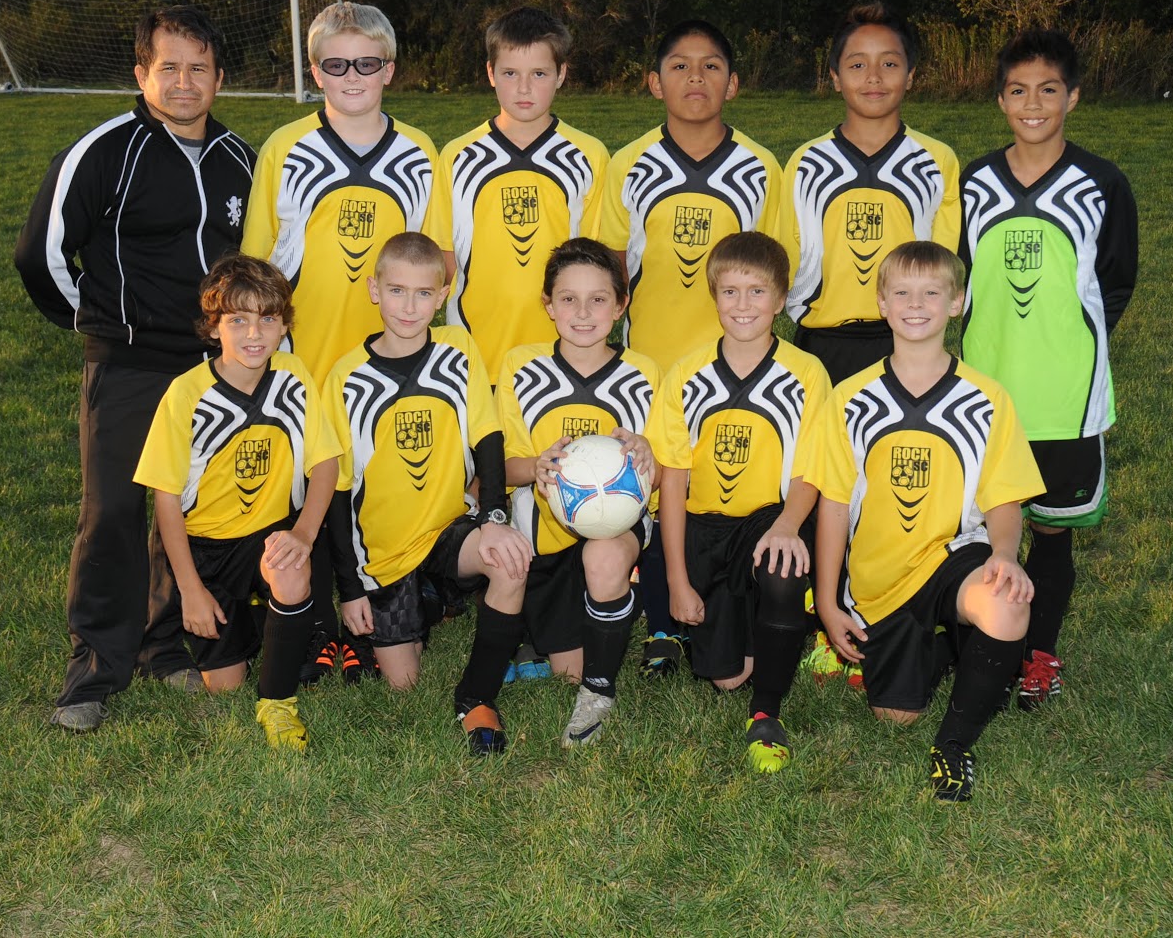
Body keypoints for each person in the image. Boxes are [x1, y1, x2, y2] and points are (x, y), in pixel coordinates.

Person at [15, 5, 257, 733]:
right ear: (141, 73)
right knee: (115, 513)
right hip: (127, 363)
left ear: (219, 78)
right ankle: (93, 670)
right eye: (169, 67)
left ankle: (163, 647)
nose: (185, 83)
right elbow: (41, 254)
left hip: (208, 370)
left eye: (199, 69)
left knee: (181, 512)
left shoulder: (238, 158)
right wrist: (97, 325)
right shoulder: (104, 150)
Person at [241, 1, 439, 688]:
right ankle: (318, 625)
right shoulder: (285, 148)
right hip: (303, 353)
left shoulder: (419, 152)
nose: (351, 75)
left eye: (366, 62)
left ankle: (378, 615)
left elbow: (436, 261)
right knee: (306, 492)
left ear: (389, 68)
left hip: (384, 359)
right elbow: (259, 263)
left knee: (368, 483)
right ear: (313, 70)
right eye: (335, 63)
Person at [811, 241, 1045, 802]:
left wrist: (1005, 554)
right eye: (903, 294)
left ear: (957, 302)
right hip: (878, 579)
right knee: (894, 716)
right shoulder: (850, 399)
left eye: (932, 293)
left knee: (1005, 601)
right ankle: (947, 653)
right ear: (883, 303)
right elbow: (834, 505)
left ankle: (955, 746)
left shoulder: (987, 399)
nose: (917, 305)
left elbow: (1004, 500)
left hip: (953, 553)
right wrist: (826, 602)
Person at [780, 1, 962, 688]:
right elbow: (792, 259)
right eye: (857, 63)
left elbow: (941, 261)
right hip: (824, 342)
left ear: (910, 75)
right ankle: (816, 621)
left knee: (891, 486)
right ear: (834, 77)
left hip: (904, 342)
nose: (874, 76)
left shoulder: (935, 160)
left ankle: (888, 612)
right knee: (822, 482)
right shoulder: (806, 161)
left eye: (890, 63)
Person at [958, 28, 1138, 709]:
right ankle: (984, 644)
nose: (1033, 103)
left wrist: (1071, 346)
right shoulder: (973, 182)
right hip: (985, 395)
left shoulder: (1102, 182)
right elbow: (957, 279)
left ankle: (1038, 656)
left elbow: (1116, 280)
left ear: (1074, 97)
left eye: (1049, 90)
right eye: (1018, 90)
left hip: (1066, 399)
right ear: (1000, 98)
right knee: (982, 527)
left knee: (1051, 535)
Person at [600, 19, 784, 678]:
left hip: (734, 362)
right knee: (655, 488)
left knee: (723, 486)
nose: (695, 78)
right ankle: (663, 624)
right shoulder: (628, 164)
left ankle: (741, 607)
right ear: (654, 82)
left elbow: (773, 268)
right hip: (651, 360)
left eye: (711, 67)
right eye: (678, 66)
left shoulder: (763, 168)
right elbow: (613, 267)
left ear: (733, 83)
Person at [320, 234, 535, 755]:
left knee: (508, 562)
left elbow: (488, 439)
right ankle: (421, 603)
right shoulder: (346, 377)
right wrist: (350, 589)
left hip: (447, 529)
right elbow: (335, 492)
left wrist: (494, 517)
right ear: (374, 291)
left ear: (442, 295)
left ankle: (476, 696)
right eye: (397, 291)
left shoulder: (458, 352)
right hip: (384, 553)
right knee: (403, 685)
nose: (409, 306)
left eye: (423, 293)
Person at [133, 256, 341, 750]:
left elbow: (326, 463)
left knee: (290, 569)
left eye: (268, 319)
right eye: (238, 320)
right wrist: (189, 588)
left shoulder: (292, 376)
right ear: (214, 327)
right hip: (203, 545)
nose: (255, 333)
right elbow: (164, 502)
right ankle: (263, 624)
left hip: (268, 531)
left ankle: (277, 703)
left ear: (285, 326)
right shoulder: (186, 395)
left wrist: (304, 534)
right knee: (224, 684)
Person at [652, 232, 829, 774]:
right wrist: (677, 582)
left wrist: (789, 526)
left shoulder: (806, 373)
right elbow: (673, 483)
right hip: (705, 529)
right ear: (713, 295)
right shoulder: (685, 374)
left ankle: (767, 714)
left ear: (780, 300)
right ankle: (757, 632)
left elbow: (811, 472)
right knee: (726, 675)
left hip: (765, 520)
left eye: (757, 292)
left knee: (780, 566)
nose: (743, 305)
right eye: (730, 292)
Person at [495, 238, 661, 747]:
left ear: (620, 304)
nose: (583, 313)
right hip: (546, 526)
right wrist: (536, 464)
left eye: (598, 299)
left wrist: (650, 454)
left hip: (617, 528)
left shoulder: (644, 373)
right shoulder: (521, 367)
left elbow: (669, 473)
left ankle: (599, 691)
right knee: (564, 667)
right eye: (568, 299)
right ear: (547, 305)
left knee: (606, 559)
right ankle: (549, 638)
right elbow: (501, 466)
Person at [431, 6, 610, 384]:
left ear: (561, 74)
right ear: (491, 73)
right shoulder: (458, 155)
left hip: (564, 353)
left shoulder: (588, 155)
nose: (524, 88)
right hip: (474, 352)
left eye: (539, 74)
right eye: (511, 73)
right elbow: (445, 256)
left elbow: (595, 257)